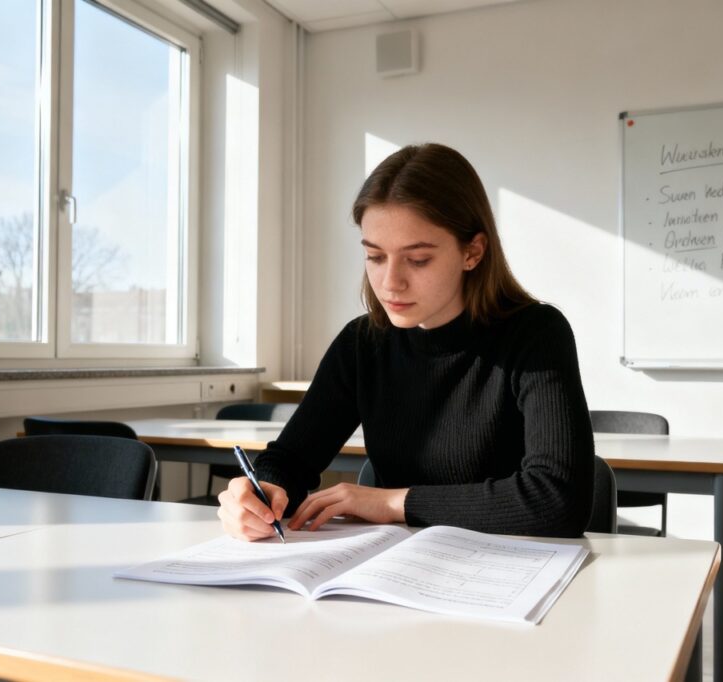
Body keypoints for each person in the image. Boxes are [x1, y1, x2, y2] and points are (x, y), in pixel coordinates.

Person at [218, 143, 594, 540]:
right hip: (399, 570)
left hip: (515, 572)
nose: (390, 282)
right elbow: (291, 459)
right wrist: (263, 491)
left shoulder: (536, 334)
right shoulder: (363, 344)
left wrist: (393, 503)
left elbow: (559, 500)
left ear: (473, 251)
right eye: (376, 257)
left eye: (417, 260)